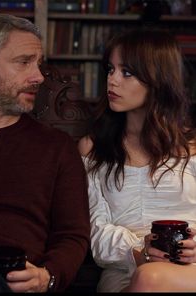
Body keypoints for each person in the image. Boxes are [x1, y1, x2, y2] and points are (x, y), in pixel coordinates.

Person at [0, 13, 90, 293]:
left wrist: (48, 276)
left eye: (38, 64)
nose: (38, 77)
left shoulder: (57, 147)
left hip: (20, 285)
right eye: (23, 63)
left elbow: (73, 235)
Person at [78, 27, 196, 292]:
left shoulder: (192, 149)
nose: (112, 80)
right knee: (147, 278)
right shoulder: (92, 149)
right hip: (126, 272)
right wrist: (140, 251)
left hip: (191, 270)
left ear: (158, 79)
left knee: (151, 278)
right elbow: (95, 232)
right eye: (111, 69)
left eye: (127, 72)